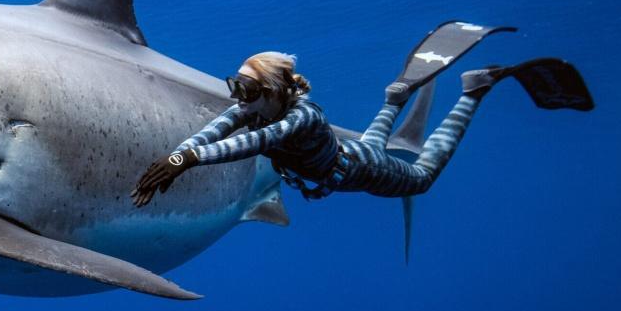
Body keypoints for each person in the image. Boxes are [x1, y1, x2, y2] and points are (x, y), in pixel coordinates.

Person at [130, 42, 593, 208]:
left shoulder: (298, 118)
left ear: (274, 90)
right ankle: (395, 97)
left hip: (358, 171)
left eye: (248, 89)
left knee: (422, 178)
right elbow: (214, 132)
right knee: (374, 139)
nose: (239, 98)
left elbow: (253, 144)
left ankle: (473, 90)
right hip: (344, 159)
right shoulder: (253, 107)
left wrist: (188, 161)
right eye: (237, 86)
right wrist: (179, 155)